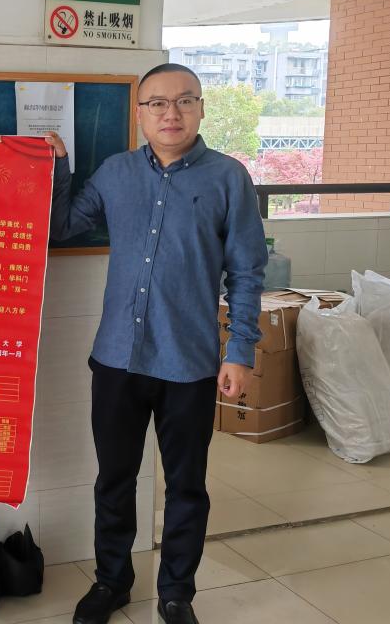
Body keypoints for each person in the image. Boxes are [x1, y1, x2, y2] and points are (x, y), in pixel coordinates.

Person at [45, 63, 266, 624]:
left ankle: (176, 595)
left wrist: (239, 350)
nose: (172, 113)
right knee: (114, 481)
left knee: (186, 487)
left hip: (190, 362)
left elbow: (247, 271)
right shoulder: (116, 173)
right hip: (117, 359)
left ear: (201, 108)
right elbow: (61, 227)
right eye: (158, 103)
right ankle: (111, 583)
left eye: (184, 101)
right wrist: (57, 167)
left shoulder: (228, 178)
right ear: (140, 114)